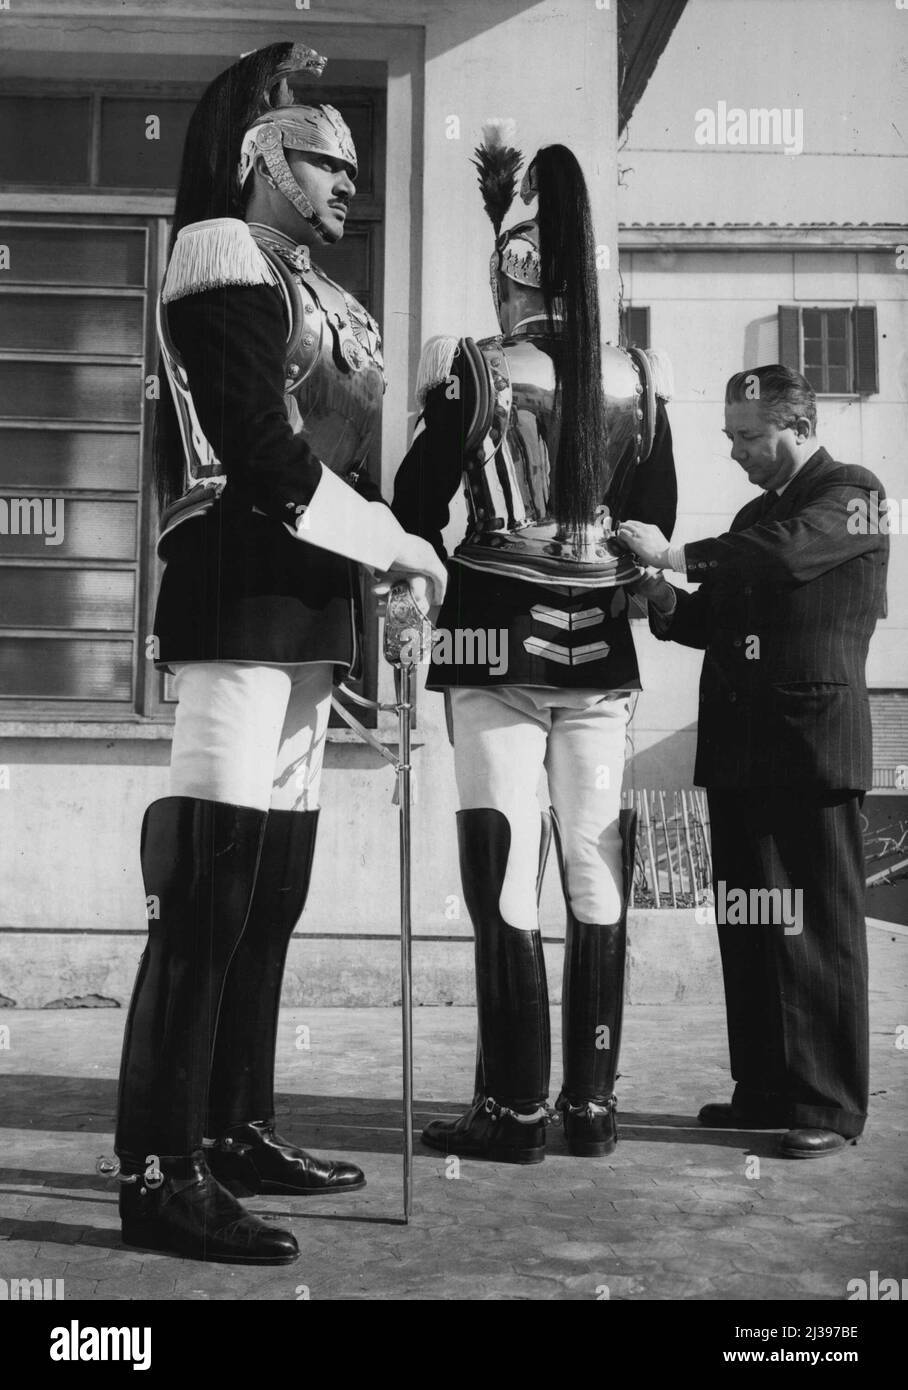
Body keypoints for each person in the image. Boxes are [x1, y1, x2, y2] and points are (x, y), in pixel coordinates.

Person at [110, 42, 446, 1264]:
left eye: (354, 165)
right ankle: (158, 1164)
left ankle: (238, 1123)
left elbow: (355, 471)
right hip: (234, 589)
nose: (346, 180)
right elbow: (260, 448)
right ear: (262, 157)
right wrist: (397, 546)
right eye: (323, 158)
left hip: (309, 609)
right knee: (204, 889)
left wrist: (399, 562)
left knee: (274, 890)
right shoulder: (220, 256)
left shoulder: (333, 298)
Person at [391, 135, 677, 1163]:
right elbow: (655, 518)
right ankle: (589, 1108)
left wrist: (405, 589)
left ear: (508, 279)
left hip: (490, 637)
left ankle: (512, 1109)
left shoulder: (475, 367)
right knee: (597, 880)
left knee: (502, 881)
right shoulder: (635, 377)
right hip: (598, 648)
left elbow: (415, 506)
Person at [619, 365, 888, 1158]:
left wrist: (672, 552)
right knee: (753, 926)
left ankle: (829, 1106)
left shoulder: (855, 492)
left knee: (817, 931)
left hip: (810, 747)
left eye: (748, 436)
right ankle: (767, 1089)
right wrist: (662, 597)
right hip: (741, 752)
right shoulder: (752, 516)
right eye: (729, 436)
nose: (735, 451)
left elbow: (780, 559)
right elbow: (712, 615)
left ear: (798, 428)